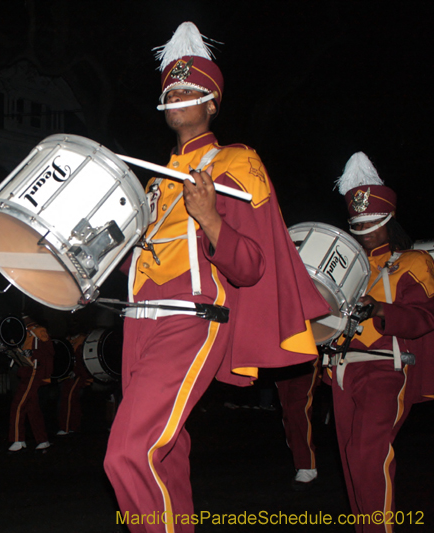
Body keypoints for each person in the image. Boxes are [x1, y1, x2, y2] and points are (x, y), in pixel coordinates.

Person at [102, 22, 329, 532]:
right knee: (166, 454)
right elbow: (134, 262)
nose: (177, 94)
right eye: (170, 90)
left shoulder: (237, 163)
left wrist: (210, 218)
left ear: (212, 104)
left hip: (193, 317)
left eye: (190, 89)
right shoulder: (154, 181)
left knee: (128, 454)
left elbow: (251, 265)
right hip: (138, 323)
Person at [328, 152, 434, 532]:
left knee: (368, 456)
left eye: (373, 222)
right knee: (350, 460)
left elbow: (425, 318)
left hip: (386, 366)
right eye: (358, 222)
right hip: (341, 372)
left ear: (390, 220)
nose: (365, 229)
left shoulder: (414, 262)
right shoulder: (343, 269)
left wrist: (380, 308)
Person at [7, 314, 54, 452]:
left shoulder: (38, 330)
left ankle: (18, 439)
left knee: (18, 404)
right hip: (26, 370)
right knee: (32, 407)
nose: (22, 318)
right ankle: (42, 440)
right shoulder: (23, 331)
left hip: (34, 370)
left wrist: (32, 354)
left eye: (25, 316)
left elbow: (48, 351)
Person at [275, 359, 322, 490]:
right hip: (283, 358)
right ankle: (301, 461)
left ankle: (306, 465)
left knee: (297, 409)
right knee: (288, 412)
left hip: (306, 355)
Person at [56, 330, 92, 435]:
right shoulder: (67, 339)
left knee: (68, 398)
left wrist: (77, 373)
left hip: (78, 375)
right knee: (70, 400)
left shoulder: (83, 338)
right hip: (67, 374)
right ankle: (73, 427)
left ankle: (66, 427)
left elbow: (83, 359)